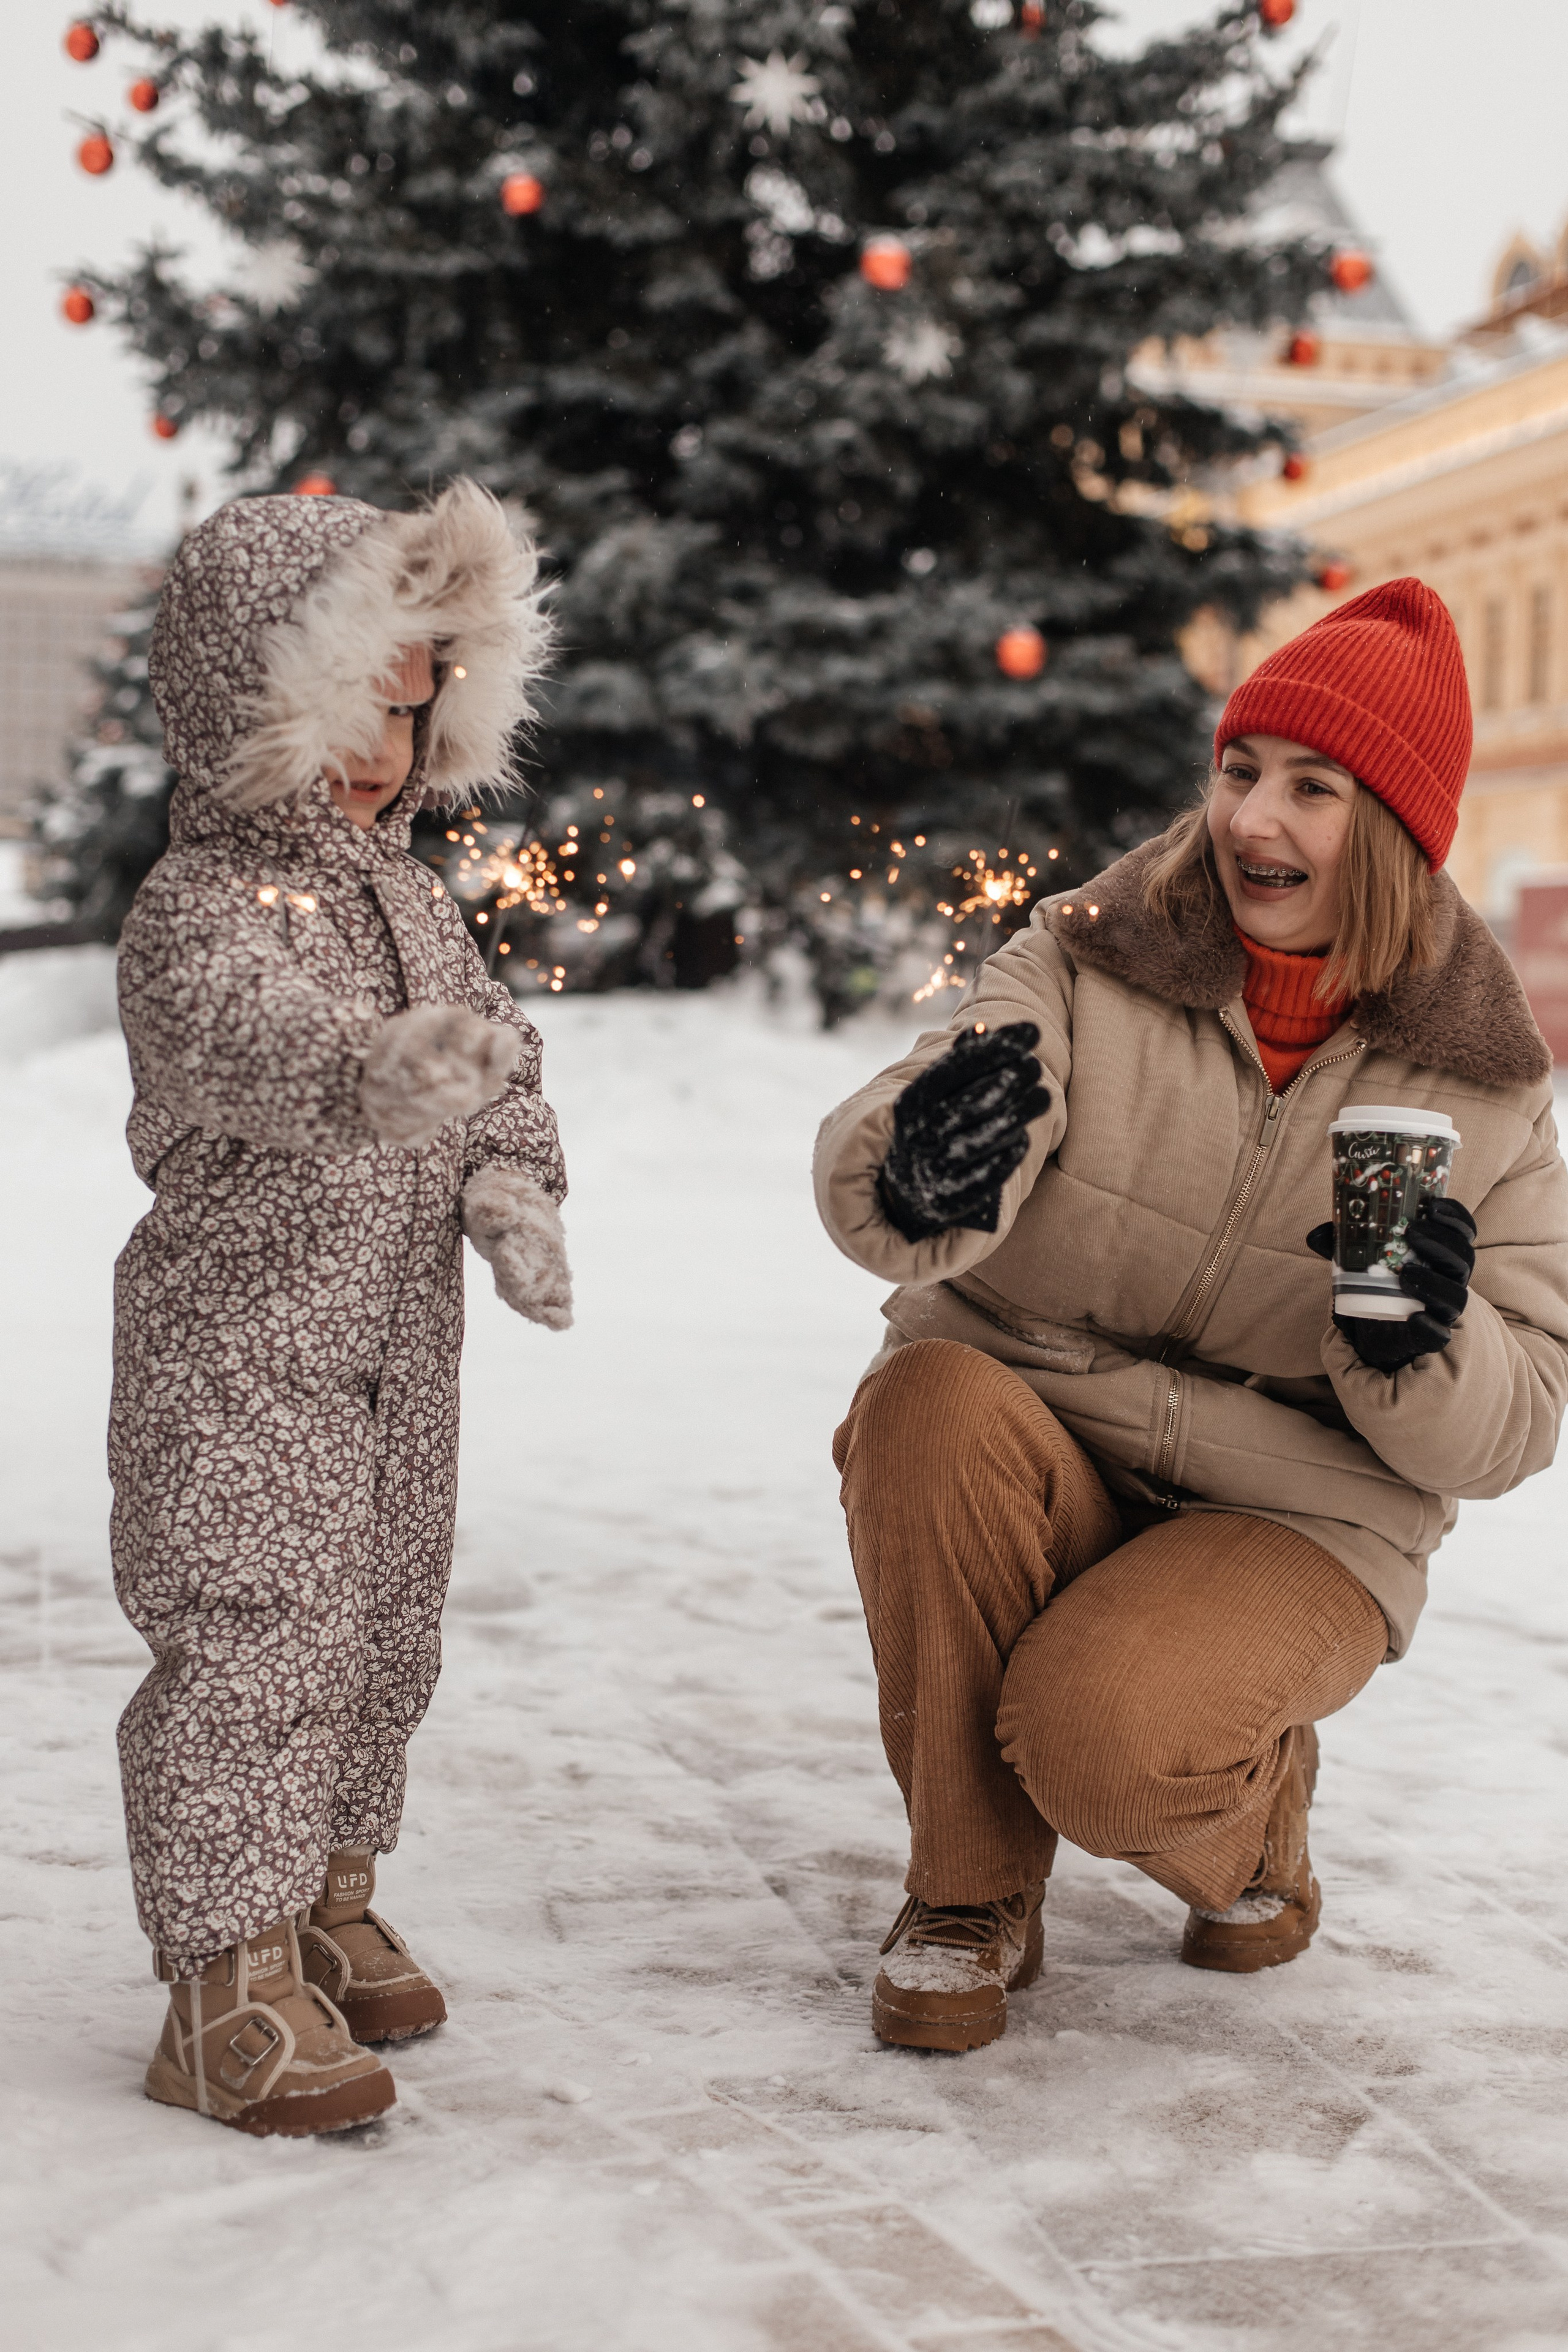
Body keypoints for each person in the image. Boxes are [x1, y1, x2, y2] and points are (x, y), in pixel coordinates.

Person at [814, 579, 1568, 2052]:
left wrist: (1421, 1340)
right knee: (921, 1401)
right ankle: (965, 1895)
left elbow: (1517, 1419)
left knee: (1099, 1739)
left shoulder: (1484, 1084)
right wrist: (920, 1164)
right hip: (1036, 1427)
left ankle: (1254, 1817)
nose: (1247, 821)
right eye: (1235, 773)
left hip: (1302, 1516)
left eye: (1309, 789)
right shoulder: (1087, 958)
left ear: (1401, 836)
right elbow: (934, 1107)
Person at [113, 481, 570, 2133]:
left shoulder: (418, 901)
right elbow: (242, 1041)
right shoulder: (199, 912)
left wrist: (510, 1179)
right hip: (237, 1359)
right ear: (256, 693)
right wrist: (372, 1074)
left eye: (409, 703)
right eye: (347, 703)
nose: (381, 750)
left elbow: (495, 1050)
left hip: (395, 1366)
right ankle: (222, 1983)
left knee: (380, 1637)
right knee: (252, 1644)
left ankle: (323, 1893)